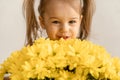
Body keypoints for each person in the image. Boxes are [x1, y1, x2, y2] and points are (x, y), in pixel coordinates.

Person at [23, 0, 95, 46]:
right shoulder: (36, 57)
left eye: (72, 21)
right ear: (42, 22)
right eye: (56, 22)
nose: (65, 29)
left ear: (80, 21)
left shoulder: (86, 56)